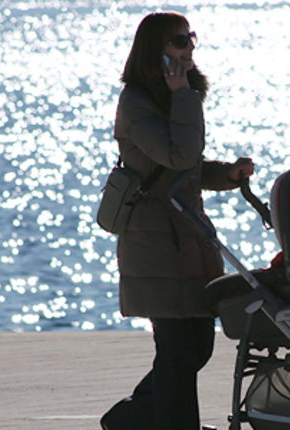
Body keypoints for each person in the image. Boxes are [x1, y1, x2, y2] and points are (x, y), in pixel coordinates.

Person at [100, 11, 254, 430]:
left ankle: (129, 419)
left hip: (188, 240)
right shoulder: (136, 103)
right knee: (176, 349)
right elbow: (178, 156)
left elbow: (187, 170)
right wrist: (183, 94)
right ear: (156, 49)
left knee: (197, 346)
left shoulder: (173, 96)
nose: (189, 48)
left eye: (191, 39)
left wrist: (227, 175)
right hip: (157, 245)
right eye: (179, 41)